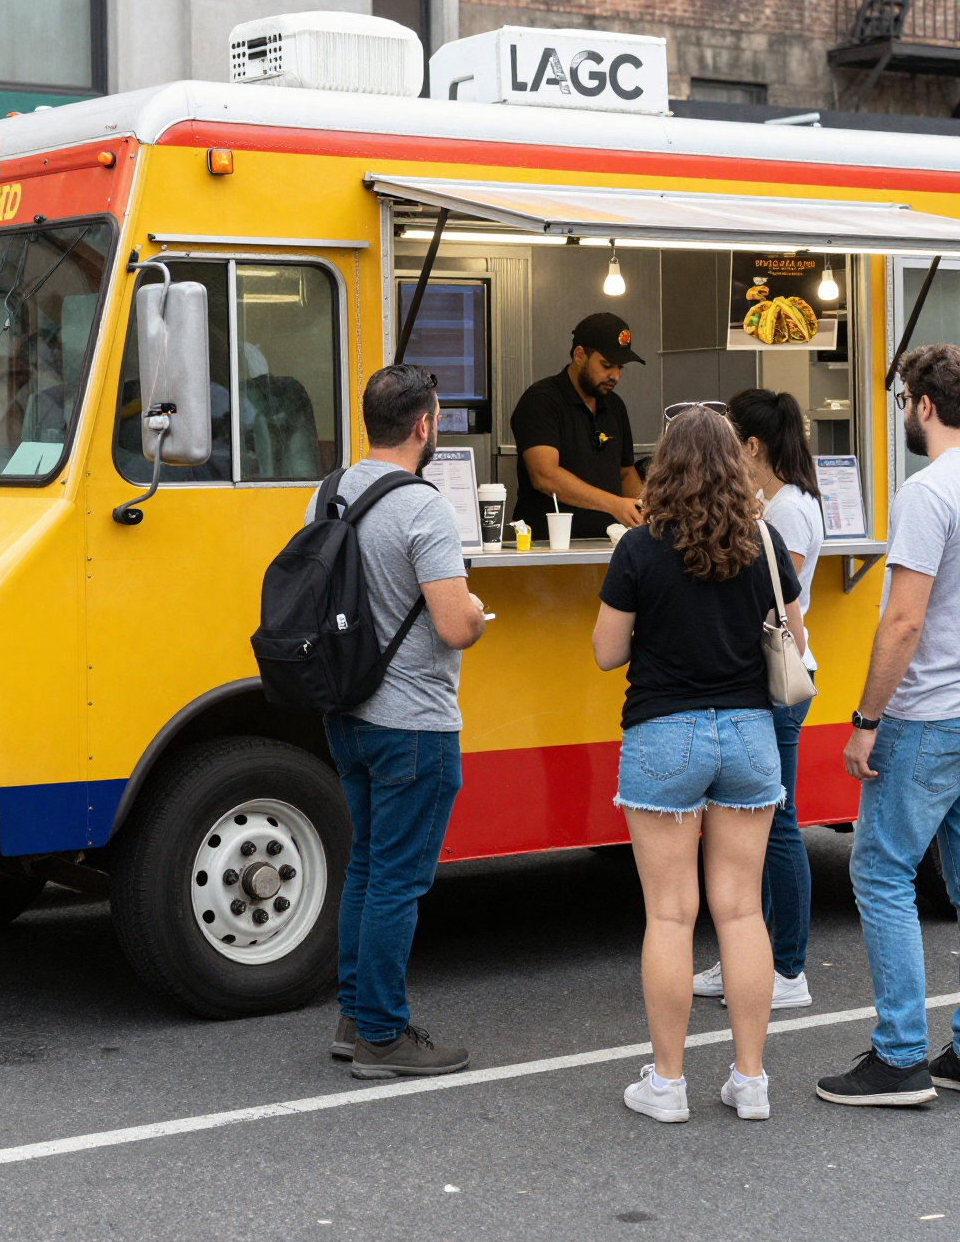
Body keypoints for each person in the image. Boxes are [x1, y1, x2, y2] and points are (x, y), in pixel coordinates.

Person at [817, 344, 960, 1109]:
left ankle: (900, 1056)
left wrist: (866, 719)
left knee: (880, 872)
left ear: (925, 405)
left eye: (904, 399)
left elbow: (903, 621)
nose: (903, 412)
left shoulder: (927, 492)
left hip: (931, 713)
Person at [592, 406, 804, 1124]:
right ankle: (750, 1081)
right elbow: (793, 641)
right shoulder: (767, 543)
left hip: (663, 734)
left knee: (671, 915)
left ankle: (669, 1083)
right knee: (743, 912)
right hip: (749, 734)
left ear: (666, 468)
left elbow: (605, 651)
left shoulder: (639, 550)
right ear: (735, 467)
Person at [313, 365, 488, 1077]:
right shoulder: (424, 507)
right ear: (425, 425)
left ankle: (355, 1015)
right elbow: (453, 625)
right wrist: (477, 617)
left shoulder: (328, 494)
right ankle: (384, 1034)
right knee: (397, 880)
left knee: (366, 866)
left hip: (345, 710)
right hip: (413, 719)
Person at [693, 388, 824, 1013]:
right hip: (765, 680)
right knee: (752, 829)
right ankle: (748, 954)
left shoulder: (790, 511)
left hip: (778, 682)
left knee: (776, 827)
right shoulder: (781, 502)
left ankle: (790, 967)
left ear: (751, 446)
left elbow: (779, 603)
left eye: (731, 440)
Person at [510, 312, 646, 541]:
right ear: (580, 355)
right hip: (547, 550)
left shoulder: (614, 406)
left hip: (607, 547)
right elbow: (545, 475)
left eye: (620, 367)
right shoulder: (541, 400)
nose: (615, 376)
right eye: (607, 365)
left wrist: (644, 509)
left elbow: (625, 473)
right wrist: (614, 504)